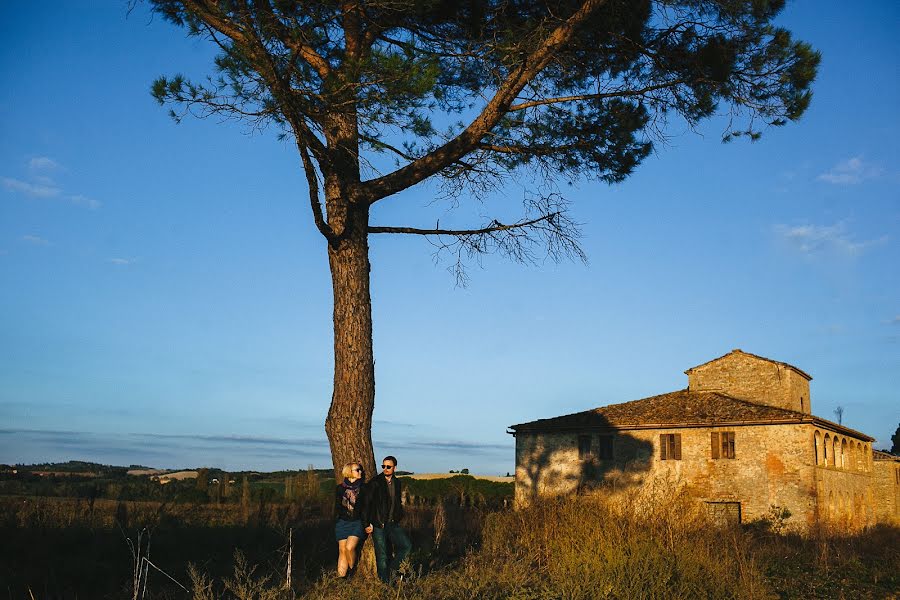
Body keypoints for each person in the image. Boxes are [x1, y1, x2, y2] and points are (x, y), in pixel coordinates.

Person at [365, 455, 412, 584]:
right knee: (382, 556)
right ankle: (385, 584)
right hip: (378, 524)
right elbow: (366, 504)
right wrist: (367, 522)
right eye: (383, 466)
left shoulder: (397, 482)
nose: (385, 469)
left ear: (394, 468)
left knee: (406, 546)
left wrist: (399, 516)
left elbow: (396, 502)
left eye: (388, 466)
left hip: (393, 523)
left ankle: (391, 571)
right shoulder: (375, 482)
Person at [334, 461, 367, 578]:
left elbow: (366, 507)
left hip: (357, 522)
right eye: (357, 470)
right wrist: (338, 519)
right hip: (342, 522)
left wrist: (367, 523)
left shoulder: (363, 488)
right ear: (349, 472)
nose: (360, 472)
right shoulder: (340, 489)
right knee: (342, 550)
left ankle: (352, 571)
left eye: (360, 470)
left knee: (349, 548)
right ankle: (341, 578)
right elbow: (337, 507)